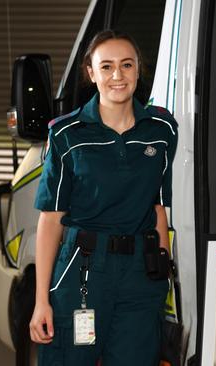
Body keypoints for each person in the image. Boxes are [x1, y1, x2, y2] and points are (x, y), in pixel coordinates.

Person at [28, 30, 178, 365]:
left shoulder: (162, 130)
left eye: (126, 65)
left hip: (142, 273)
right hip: (83, 269)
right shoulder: (67, 134)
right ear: (91, 73)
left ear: (139, 70)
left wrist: (161, 274)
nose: (117, 75)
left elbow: (157, 207)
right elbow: (51, 218)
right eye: (106, 66)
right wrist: (42, 300)